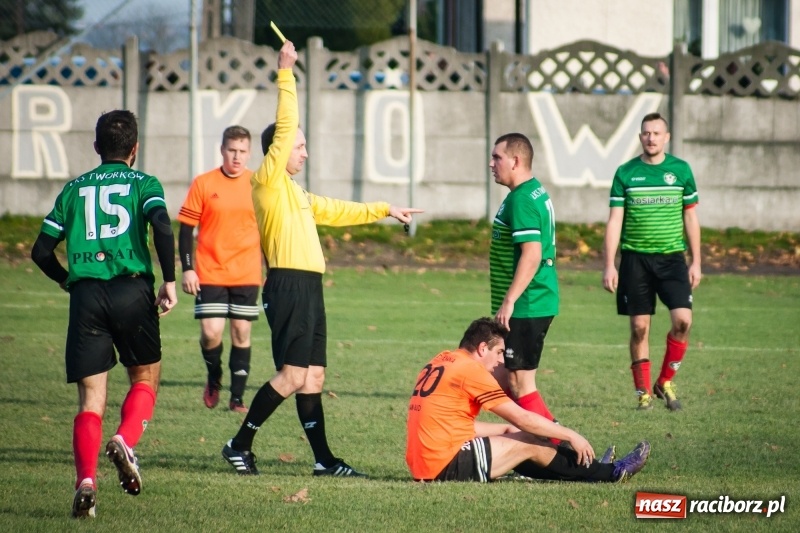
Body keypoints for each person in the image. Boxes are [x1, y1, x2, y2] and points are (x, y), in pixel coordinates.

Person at [221, 40, 423, 477]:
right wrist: (286, 72)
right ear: (279, 151)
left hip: (309, 287)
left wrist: (385, 209)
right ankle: (239, 444)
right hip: (288, 285)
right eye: (300, 146)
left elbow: (335, 209)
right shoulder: (268, 180)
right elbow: (288, 120)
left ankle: (323, 460)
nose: (305, 152)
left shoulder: (294, 191)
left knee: (312, 378)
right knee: (293, 375)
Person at [30, 110, 178, 518]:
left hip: (87, 297)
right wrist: (169, 279)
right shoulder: (144, 183)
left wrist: (67, 281)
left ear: (96, 147)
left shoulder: (73, 190)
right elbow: (163, 226)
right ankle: (127, 440)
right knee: (145, 377)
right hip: (132, 291)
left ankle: (86, 482)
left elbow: (41, 251)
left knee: (90, 399)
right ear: (135, 148)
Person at [406, 317, 650, 483]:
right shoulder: (471, 370)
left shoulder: (443, 359)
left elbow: (448, 421)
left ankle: (586, 467)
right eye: (499, 352)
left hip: (427, 458)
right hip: (443, 464)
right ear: (482, 349)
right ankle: (610, 473)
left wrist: (511, 430)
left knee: (511, 431)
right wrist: (571, 435)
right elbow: (521, 417)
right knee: (527, 441)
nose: (501, 361)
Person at [602, 112, 701, 411]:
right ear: (640, 136)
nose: (651, 138)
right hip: (635, 260)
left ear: (666, 137)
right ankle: (642, 391)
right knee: (639, 328)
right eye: (646, 133)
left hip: (672, 259)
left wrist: (696, 261)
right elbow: (615, 220)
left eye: (657, 133)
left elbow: (690, 217)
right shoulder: (626, 173)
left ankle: (665, 381)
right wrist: (610, 263)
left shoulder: (681, 171)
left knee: (683, 321)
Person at [177, 125, 262, 413]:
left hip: (246, 273)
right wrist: (188, 269)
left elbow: (270, 228)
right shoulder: (204, 183)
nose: (236, 157)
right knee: (211, 333)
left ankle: (237, 399)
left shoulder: (259, 184)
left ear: (250, 153)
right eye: (231, 150)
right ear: (222, 150)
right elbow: (186, 229)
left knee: (241, 332)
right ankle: (214, 376)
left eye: (242, 151)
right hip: (210, 271)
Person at [489, 132, 561, 433]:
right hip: (531, 301)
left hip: (527, 303)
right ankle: (546, 440)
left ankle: (560, 444)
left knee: (519, 382)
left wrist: (509, 300)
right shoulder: (531, 192)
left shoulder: (521, 200)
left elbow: (531, 255)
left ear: (515, 161)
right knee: (504, 378)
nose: (491, 164)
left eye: (497, 157)